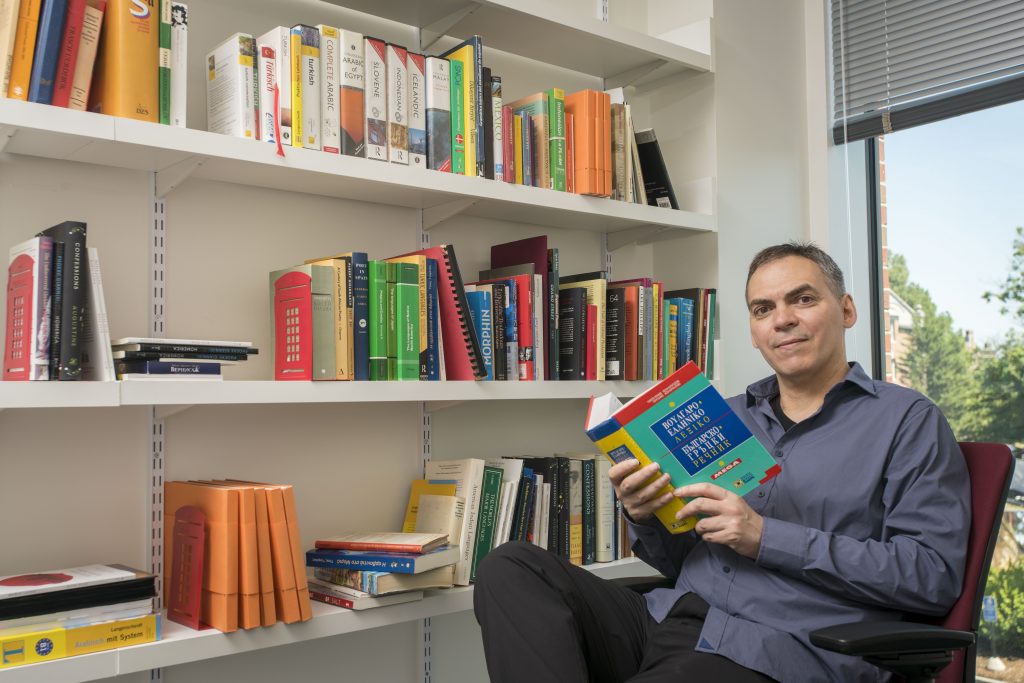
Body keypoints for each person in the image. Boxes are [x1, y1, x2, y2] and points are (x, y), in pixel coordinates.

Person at [473, 242, 971, 682]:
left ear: (846, 310)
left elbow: (931, 578)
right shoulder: (721, 416)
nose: (783, 319)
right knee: (511, 567)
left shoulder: (907, 420)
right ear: (754, 333)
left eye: (802, 298)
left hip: (780, 649)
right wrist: (645, 514)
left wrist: (764, 537)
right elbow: (676, 561)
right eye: (763, 308)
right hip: (670, 618)